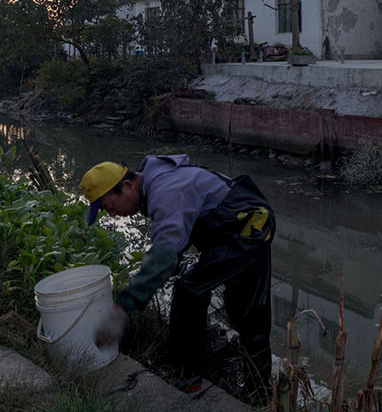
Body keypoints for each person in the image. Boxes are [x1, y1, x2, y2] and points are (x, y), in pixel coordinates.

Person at [80, 154, 274, 390]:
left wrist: (123, 308)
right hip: (230, 228)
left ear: (128, 185)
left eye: (109, 206)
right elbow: (179, 228)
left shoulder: (166, 190)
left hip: (250, 225)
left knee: (199, 292)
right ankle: (251, 384)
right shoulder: (152, 184)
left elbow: (164, 252)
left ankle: (199, 377)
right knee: (234, 305)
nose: (112, 214)